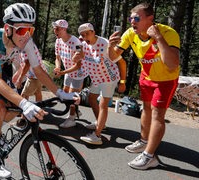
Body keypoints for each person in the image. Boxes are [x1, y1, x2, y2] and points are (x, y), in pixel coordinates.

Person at [0, 3, 79, 178]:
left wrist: (60, 93)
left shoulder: (26, 41)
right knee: (0, 108)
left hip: (1, 66)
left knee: (13, 111)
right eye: (21, 30)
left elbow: (39, 71)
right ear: (7, 29)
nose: (26, 35)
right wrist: (25, 102)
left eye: (30, 30)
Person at [108, 2, 180, 170]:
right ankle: (144, 141)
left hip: (166, 80)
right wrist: (110, 46)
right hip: (146, 77)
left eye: (137, 18)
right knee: (146, 108)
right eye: (131, 18)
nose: (132, 21)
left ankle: (150, 156)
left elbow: (172, 64)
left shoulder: (168, 33)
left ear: (150, 19)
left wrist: (159, 38)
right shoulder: (130, 34)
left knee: (157, 114)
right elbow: (112, 57)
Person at [77, 23, 126, 145]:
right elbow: (79, 57)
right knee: (92, 98)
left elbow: (122, 63)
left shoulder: (105, 44)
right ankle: (100, 123)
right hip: (97, 78)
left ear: (93, 32)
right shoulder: (83, 45)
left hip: (109, 78)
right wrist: (75, 57)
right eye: (82, 35)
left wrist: (122, 82)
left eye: (87, 33)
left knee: (103, 104)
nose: (85, 37)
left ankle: (97, 136)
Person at [52, 19, 87, 128]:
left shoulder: (75, 42)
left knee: (72, 96)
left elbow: (78, 65)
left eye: (57, 29)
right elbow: (57, 57)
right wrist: (58, 67)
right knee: (65, 93)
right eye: (54, 29)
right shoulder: (58, 41)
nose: (55, 31)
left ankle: (71, 118)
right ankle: (75, 110)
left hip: (78, 72)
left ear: (64, 29)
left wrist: (62, 72)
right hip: (68, 70)